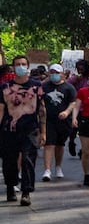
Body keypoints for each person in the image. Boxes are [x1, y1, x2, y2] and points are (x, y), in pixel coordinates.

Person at [1, 77, 43, 205]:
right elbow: (1, 109)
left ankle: (26, 192)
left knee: (28, 159)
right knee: (9, 161)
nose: (21, 67)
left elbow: (41, 110)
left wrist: (44, 131)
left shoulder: (36, 86)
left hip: (30, 129)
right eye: (18, 64)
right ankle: (10, 186)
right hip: (9, 130)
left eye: (23, 64)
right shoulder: (5, 87)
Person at [39, 64, 79, 183]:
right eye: (52, 72)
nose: (54, 75)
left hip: (63, 121)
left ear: (62, 74)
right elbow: (39, 100)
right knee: (49, 144)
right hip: (48, 120)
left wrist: (67, 112)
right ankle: (47, 170)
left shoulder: (69, 88)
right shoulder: (44, 86)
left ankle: (58, 166)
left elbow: (73, 102)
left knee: (60, 145)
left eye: (56, 72)